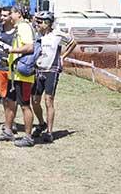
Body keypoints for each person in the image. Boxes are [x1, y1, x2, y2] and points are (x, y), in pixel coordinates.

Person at [0, 4, 36, 147]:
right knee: (9, 101)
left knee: (25, 105)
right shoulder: (19, 27)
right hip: (14, 73)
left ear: (18, 13)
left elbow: (30, 47)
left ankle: (28, 137)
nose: (8, 16)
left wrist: (12, 50)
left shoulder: (24, 27)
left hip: (23, 75)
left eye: (10, 13)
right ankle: (8, 131)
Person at [31, 11, 76, 143]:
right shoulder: (37, 35)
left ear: (47, 23)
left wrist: (63, 56)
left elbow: (73, 42)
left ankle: (49, 132)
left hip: (52, 70)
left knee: (48, 101)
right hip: (38, 70)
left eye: (40, 22)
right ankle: (41, 123)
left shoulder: (57, 34)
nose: (37, 24)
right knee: (34, 101)